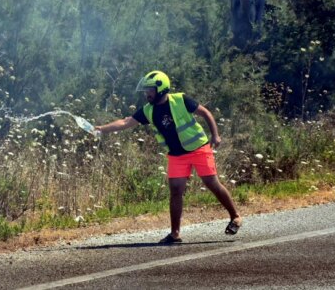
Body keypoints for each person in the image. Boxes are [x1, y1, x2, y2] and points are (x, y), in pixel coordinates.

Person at [94, 70, 242, 244]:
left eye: (150, 90)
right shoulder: (148, 110)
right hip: (177, 155)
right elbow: (125, 123)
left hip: (198, 148)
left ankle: (235, 217)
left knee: (211, 183)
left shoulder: (180, 100)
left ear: (161, 89)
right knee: (176, 192)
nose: (147, 93)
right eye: (145, 90)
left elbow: (206, 113)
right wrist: (101, 129)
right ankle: (175, 234)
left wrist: (215, 135)